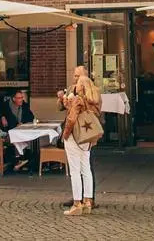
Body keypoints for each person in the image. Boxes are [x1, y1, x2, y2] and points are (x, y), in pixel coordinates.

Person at [61, 74, 101, 216]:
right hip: (88, 137)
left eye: (78, 83)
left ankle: (77, 203)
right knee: (86, 169)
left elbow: (71, 119)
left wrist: (65, 135)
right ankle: (88, 201)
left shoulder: (78, 100)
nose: (75, 84)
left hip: (75, 137)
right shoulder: (94, 101)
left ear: (81, 87)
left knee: (75, 171)